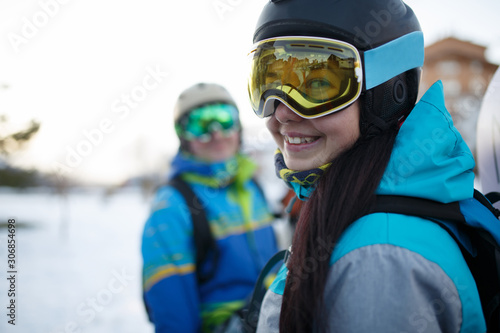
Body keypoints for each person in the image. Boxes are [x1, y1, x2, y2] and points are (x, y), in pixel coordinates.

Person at [247, 0, 486, 332]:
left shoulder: (380, 260)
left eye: (318, 84)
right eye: (269, 81)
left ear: (388, 93)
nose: (283, 111)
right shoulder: (354, 213)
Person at [141, 82, 278, 333]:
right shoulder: (171, 206)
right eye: (200, 124)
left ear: (238, 127)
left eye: (224, 120)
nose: (216, 133)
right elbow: (172, 312)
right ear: (184, 137)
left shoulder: (251, 186)